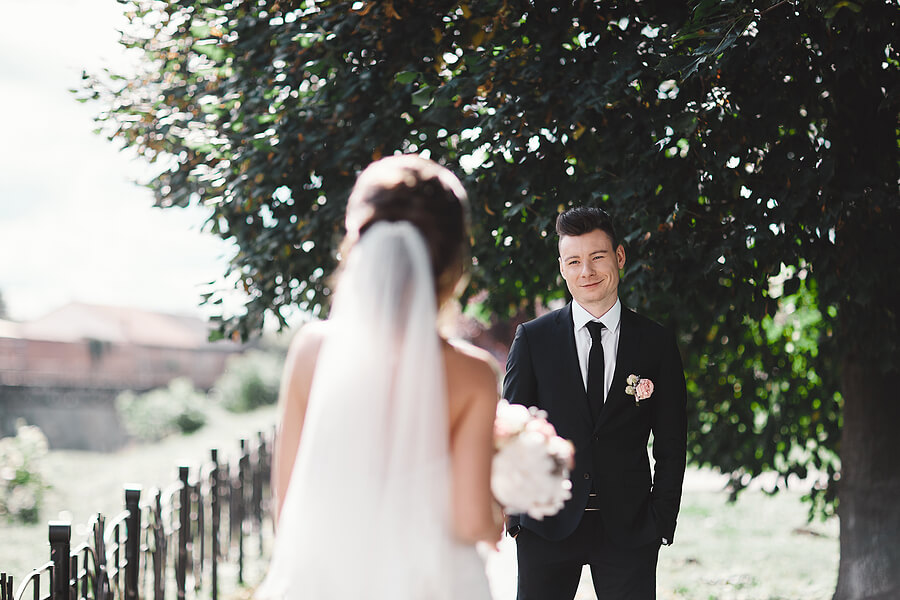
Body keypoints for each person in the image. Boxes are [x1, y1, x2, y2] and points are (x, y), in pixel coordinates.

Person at [258, 155, 503, 599]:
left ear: (359, 247)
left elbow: (288, 504)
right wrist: (502, 505)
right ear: (451, 262)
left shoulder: (312, 351)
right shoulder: (473, 374)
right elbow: (472, 522)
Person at [503, 206, 687, 600]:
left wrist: (661, 521)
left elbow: (672, 442)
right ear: (562, 268)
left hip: (630, 529)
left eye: (597, 257)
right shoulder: (533, 340)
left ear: (619, 258)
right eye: (574, 261)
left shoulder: (655, 343)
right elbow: (512, 433)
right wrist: (517, 517)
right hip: (545, 525)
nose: (586, 271)